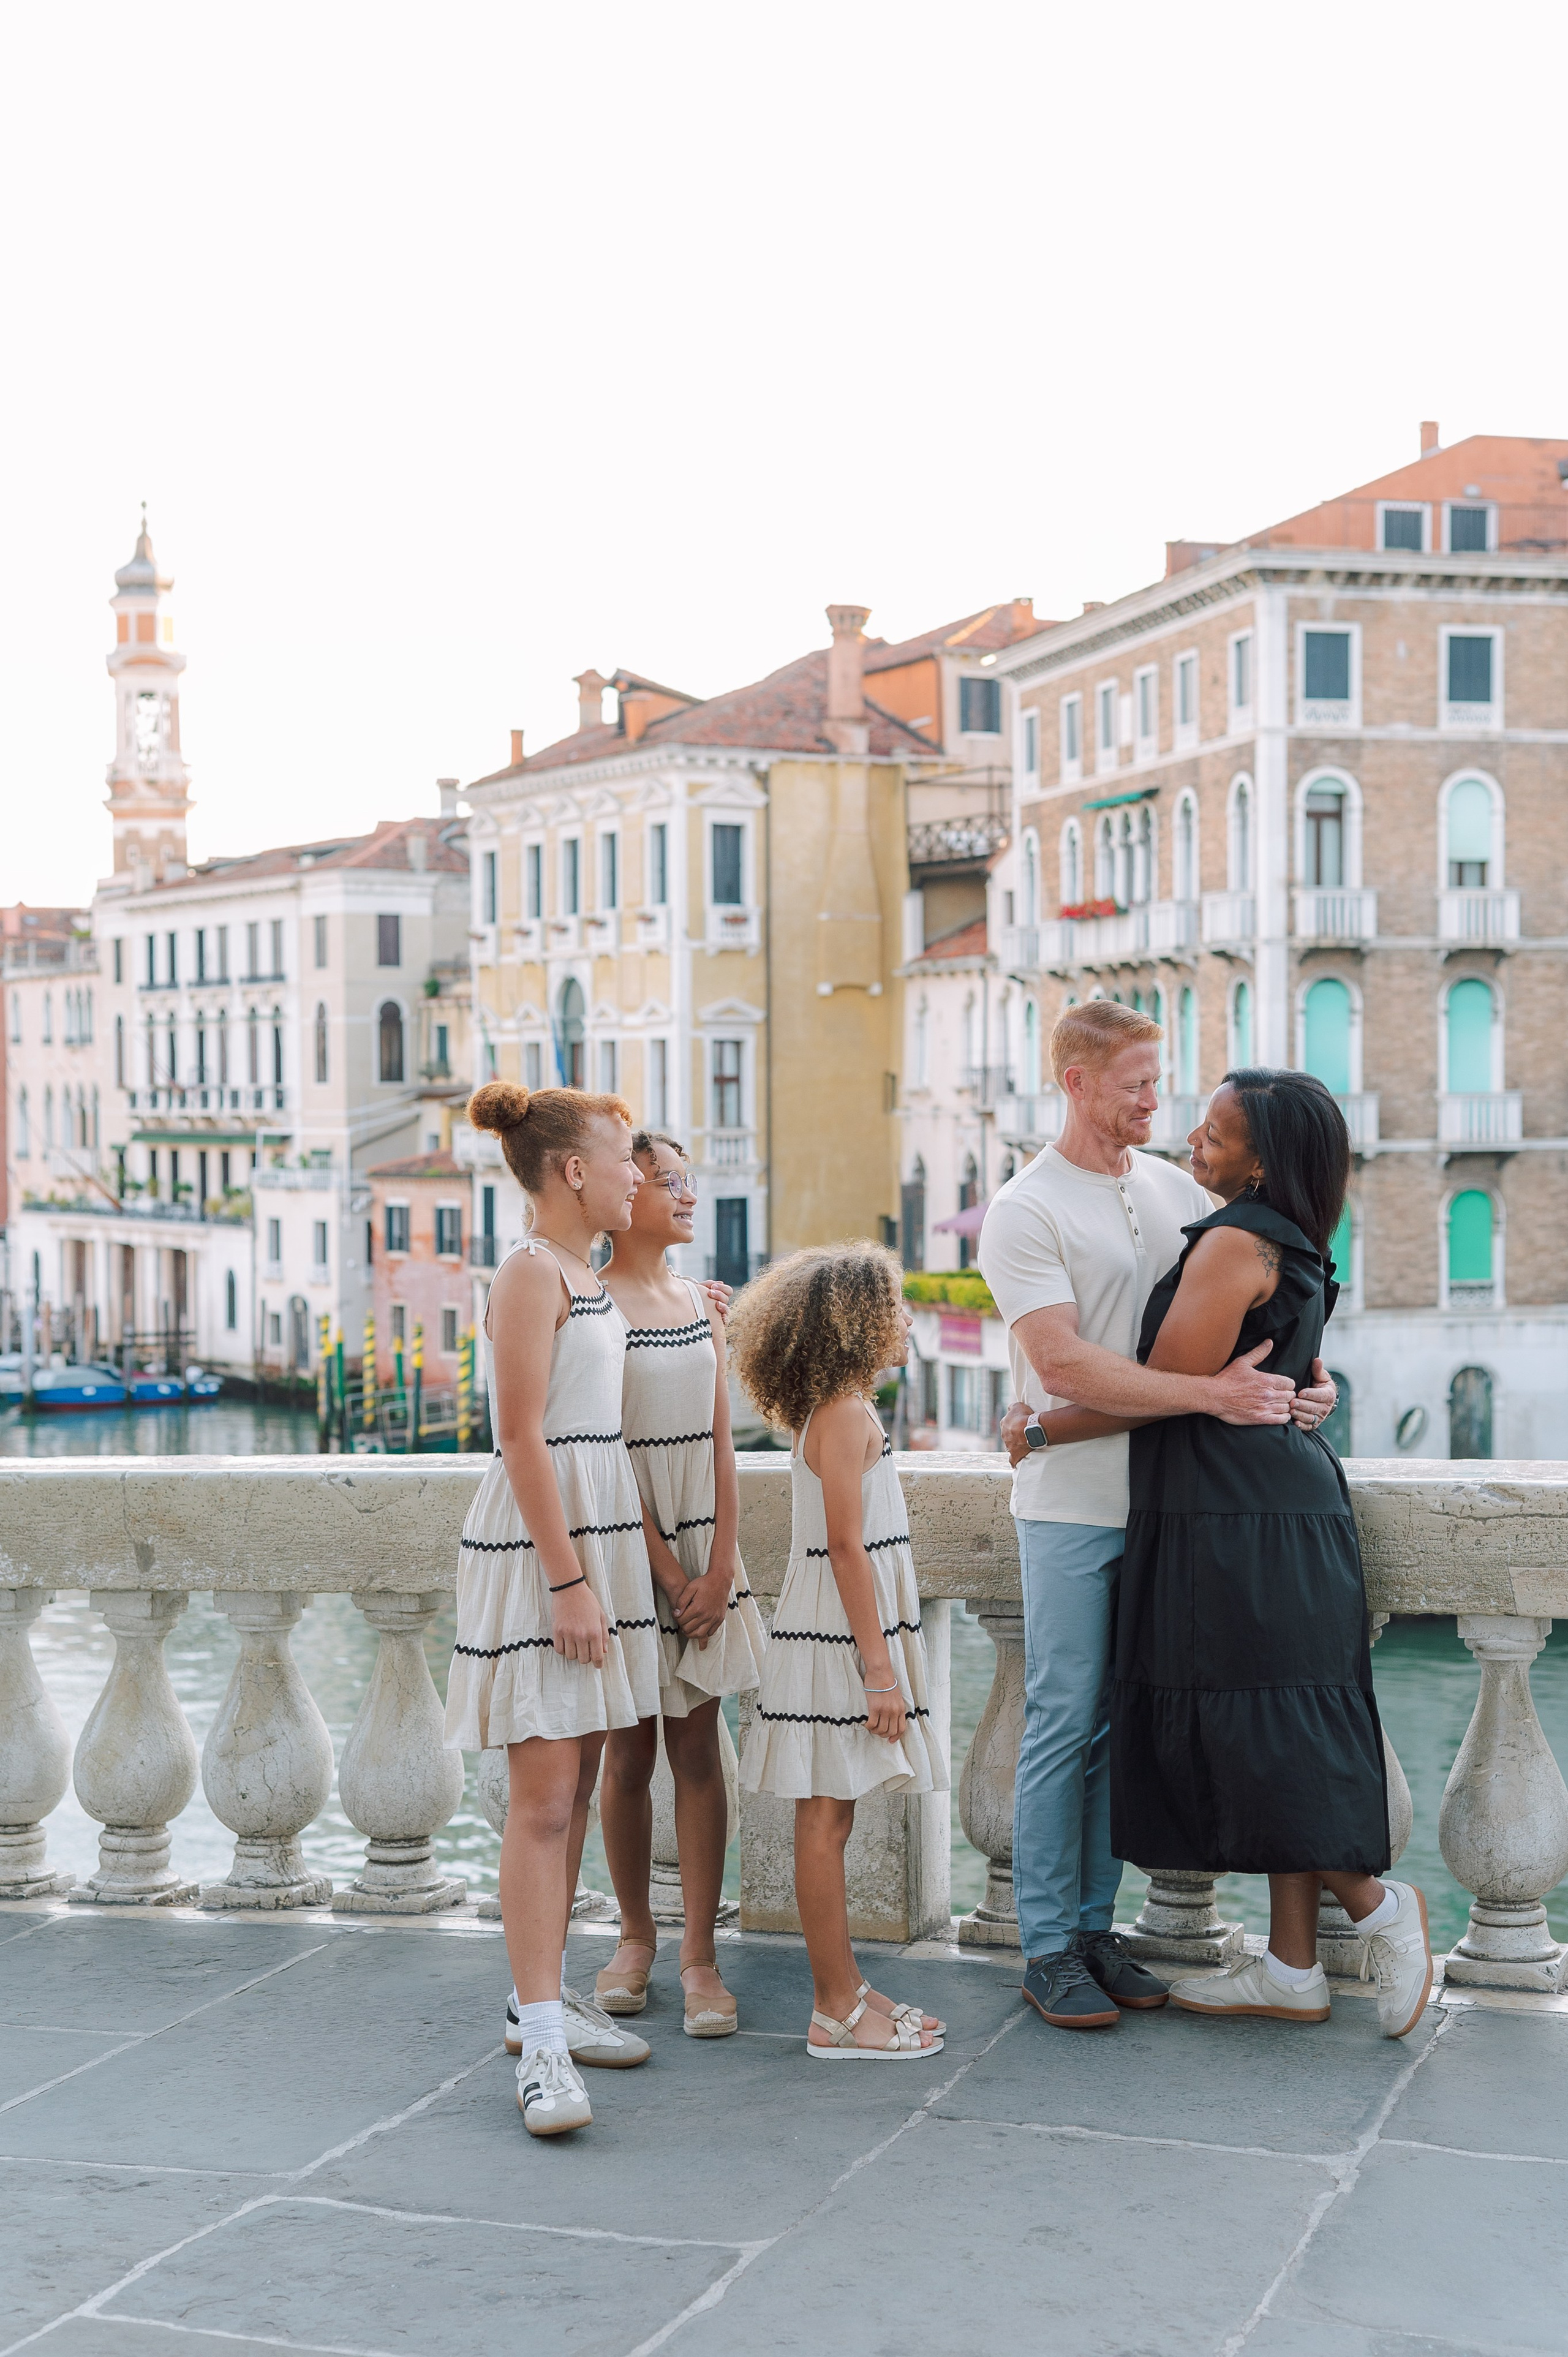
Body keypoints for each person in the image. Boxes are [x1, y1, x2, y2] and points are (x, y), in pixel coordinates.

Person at [1028, 1070, 1430, 2036]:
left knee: (1260, 1728)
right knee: (1277, 1716)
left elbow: (1159, 1389)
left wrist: (1039, 1431)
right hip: (1277, 1500)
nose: (1192, 1143)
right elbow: (1283, 1369)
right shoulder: (1294, 1239)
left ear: (1260, 1160)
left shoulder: (1233, 1243)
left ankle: (1377, 1906)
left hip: (1232, 1511)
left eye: (1214, 1134)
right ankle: (1291, 1969)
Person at [981, 1001, 1339, 2033]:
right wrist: (1210, 1396)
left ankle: (1095, 1929)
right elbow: (1062, 1365)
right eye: (1136, 1082)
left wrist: (1311, 1382)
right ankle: (1048, 1946)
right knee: (1064, 1718)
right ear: (1078, 1082)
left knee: (1120, 1723)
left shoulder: (1178, 1189)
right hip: (1072, 1505)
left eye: (1157, 1078)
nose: (1155, 1100)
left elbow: (1255, 1310)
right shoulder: (1024, 1209)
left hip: (1178, 1508)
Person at [444, 1081, 660, 2139]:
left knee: (573, 1788)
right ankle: (539, 2047)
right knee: (543, 1797)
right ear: (574, 1172)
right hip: (550, 1549)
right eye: (624, 1160)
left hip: (596, 1532)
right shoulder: (531, 1272)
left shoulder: (590, 1274)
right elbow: (520, 1434)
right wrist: (570, 1581)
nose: (638, 1177)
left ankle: (545, 2002)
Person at [731, 1243, 947, 2058]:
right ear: (859, 1323)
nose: (908, 1321)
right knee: (824, 1821)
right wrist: (879, 1670)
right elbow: (847, 1549)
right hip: (838, 1643)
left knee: (833, 1815)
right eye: (895, 1308)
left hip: (830, 1632)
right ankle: (833, 2009)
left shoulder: (838, 1409)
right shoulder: (846, 1415)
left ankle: (850, 1990)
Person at [594, 1128, 769, 2037]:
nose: (687, 1194)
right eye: (668, 1181)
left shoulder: (704, 1305)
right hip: (631, 1551)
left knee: (700, 1750)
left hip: (706, 1548)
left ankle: (700, 1954)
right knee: (627, 1754)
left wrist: (721, 1565)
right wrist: (667, 1573)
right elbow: (606, 1452)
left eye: (687, 1179)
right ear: (627, 1195)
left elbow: (721, 1440)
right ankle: (635, 1939)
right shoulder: (590, 1305)